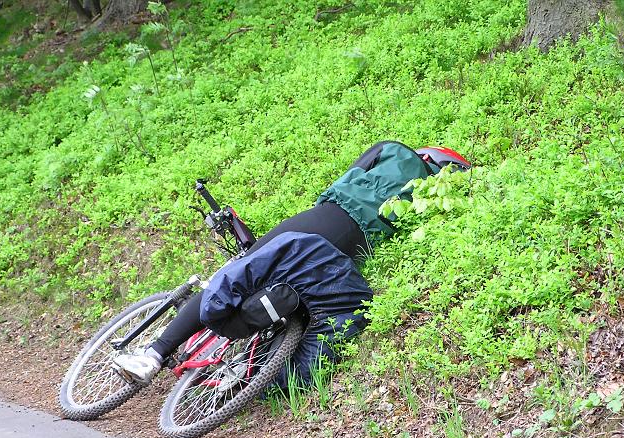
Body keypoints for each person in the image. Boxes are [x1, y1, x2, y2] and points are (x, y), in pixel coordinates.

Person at [113, 141, 471, 385]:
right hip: (350, 255)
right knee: (289, 303)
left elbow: (349, 175)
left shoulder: (392, 150)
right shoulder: (432, 200)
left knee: (238, 272)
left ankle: (155, 354)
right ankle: (240, 374)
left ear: (428, 156)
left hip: (322, 219)